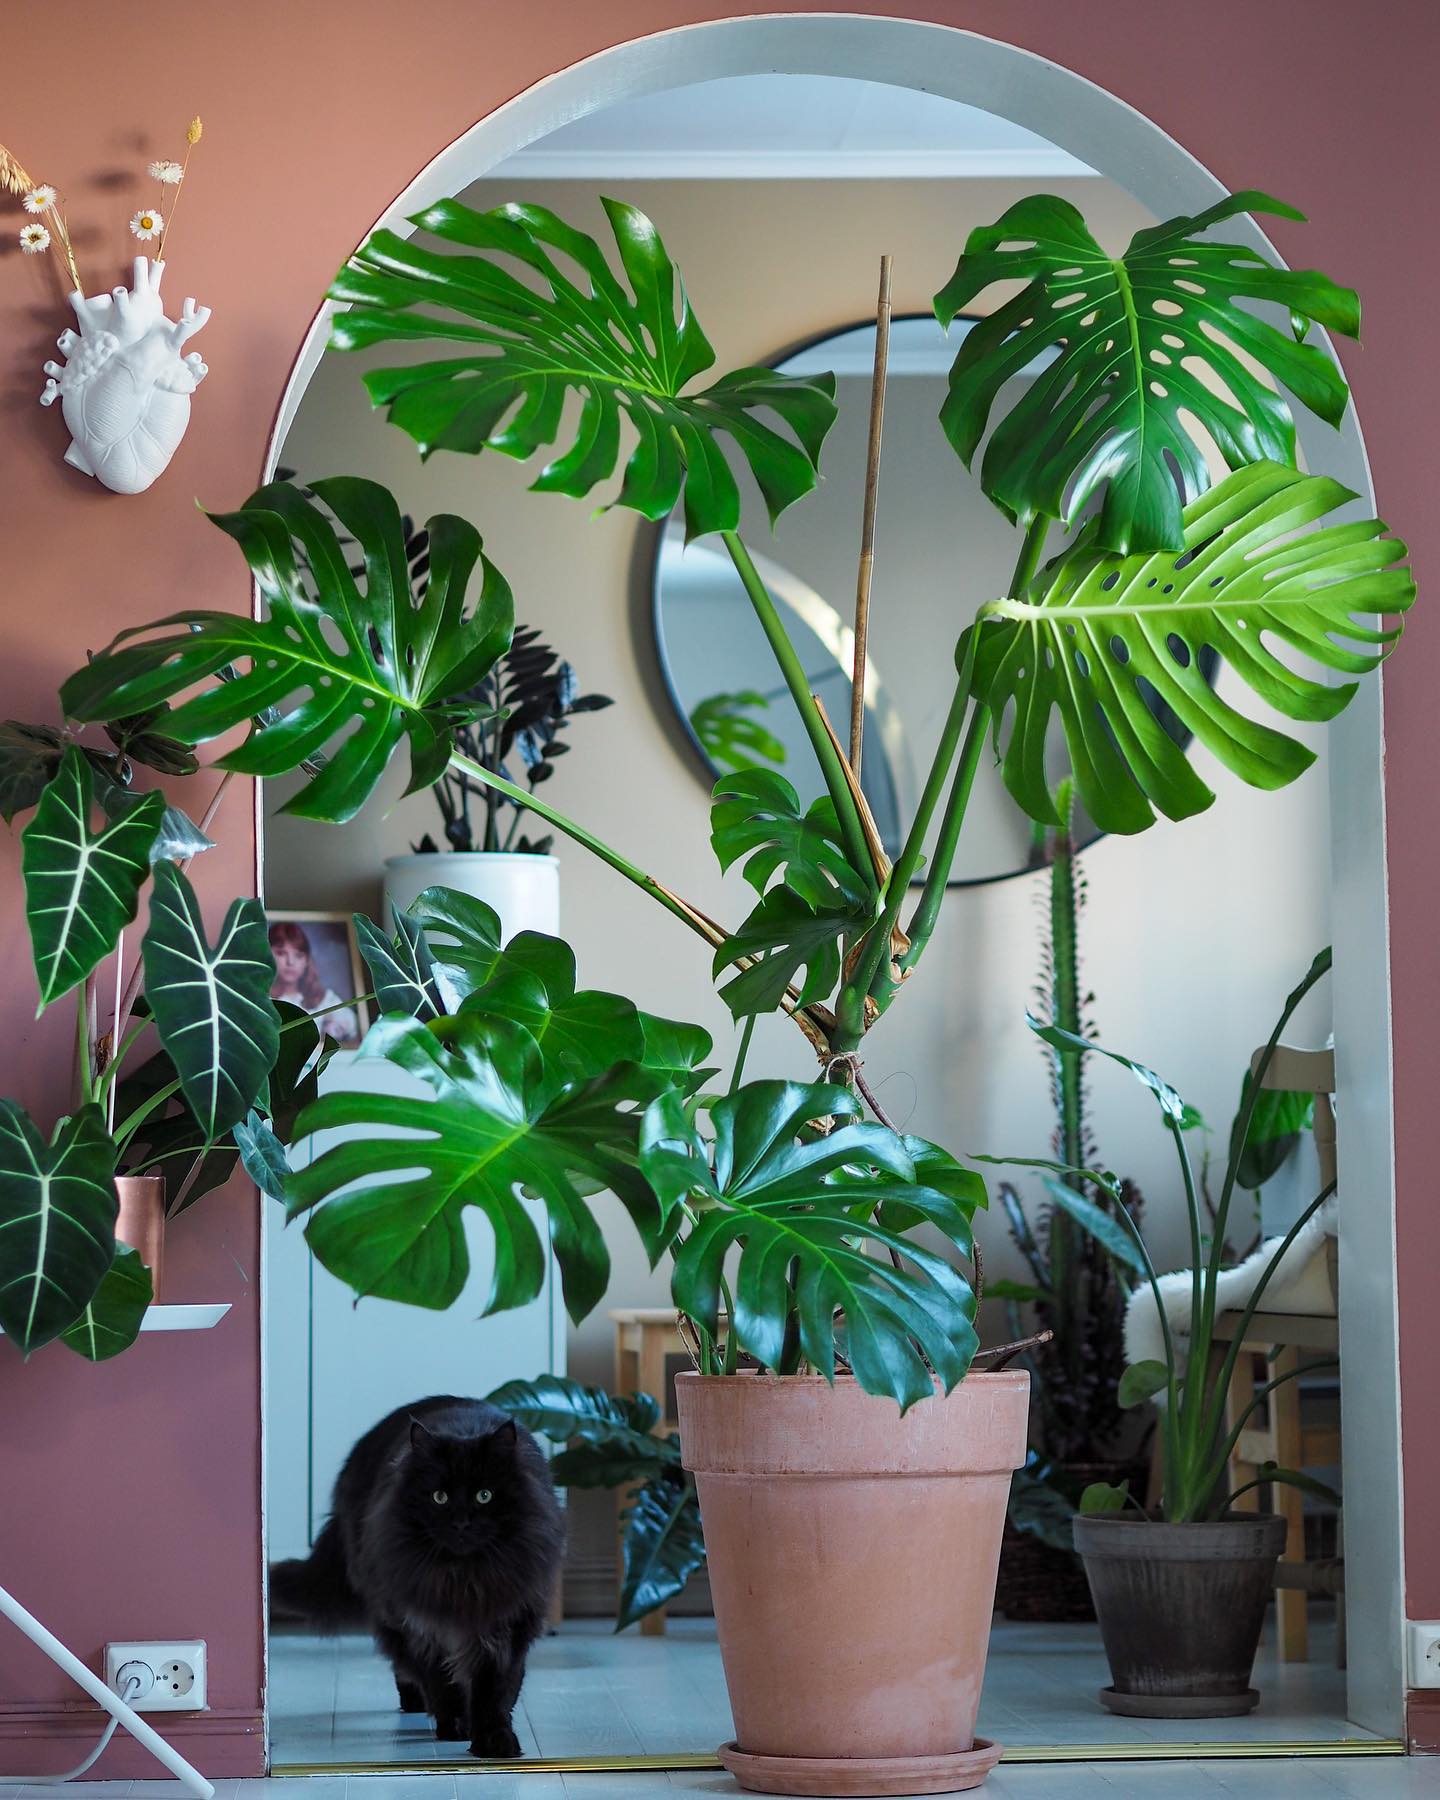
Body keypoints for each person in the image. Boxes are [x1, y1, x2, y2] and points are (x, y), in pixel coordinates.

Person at [268, 921, 361, 1048]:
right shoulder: (260, 998)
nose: (290, 962)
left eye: (298, 955)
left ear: (307, 960)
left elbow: (353, 1026)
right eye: (281, 953)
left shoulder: (324, 999)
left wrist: (332, 1030)